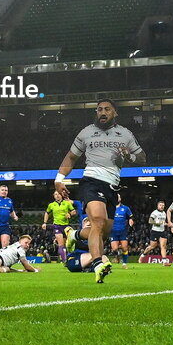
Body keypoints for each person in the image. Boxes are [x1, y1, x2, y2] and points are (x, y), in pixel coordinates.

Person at [55, 99, 144, 283]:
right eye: (99, 109)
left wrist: (129, 155)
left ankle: (75, 234)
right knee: (97, 220)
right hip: (91, 182)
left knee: (103, 232)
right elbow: (71, 157)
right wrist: (59, 179)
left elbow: (142, 157)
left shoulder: (125, 134)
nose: (103, 112)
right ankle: (97, 264)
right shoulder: (86, 132)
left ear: (115, 113)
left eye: (107, 109)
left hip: (112, 186)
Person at [42, 191, 76, 262]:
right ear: (54, 196)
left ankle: (65, 258)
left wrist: (69, 214)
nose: (57, 196)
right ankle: (64, 260)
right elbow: (47, 213)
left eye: (59, 194)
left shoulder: (67, 203)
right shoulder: (51, 205)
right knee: (61, 244)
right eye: (55, 194)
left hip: (66, 226)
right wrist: (45, 223)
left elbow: (74, 211)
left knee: (66, 245)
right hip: (57, 226)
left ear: (61, 195)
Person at [110, 194, 134, 268]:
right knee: (114, 249)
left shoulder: (125, 208)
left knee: (124, 247)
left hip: (123, 230)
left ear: (120, 199)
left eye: (119, 197)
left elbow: (131, 216)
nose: (117, 198)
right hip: (113, 231)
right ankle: (117, 256)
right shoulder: (110, 208)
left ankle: (124, 263)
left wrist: (131, 219)